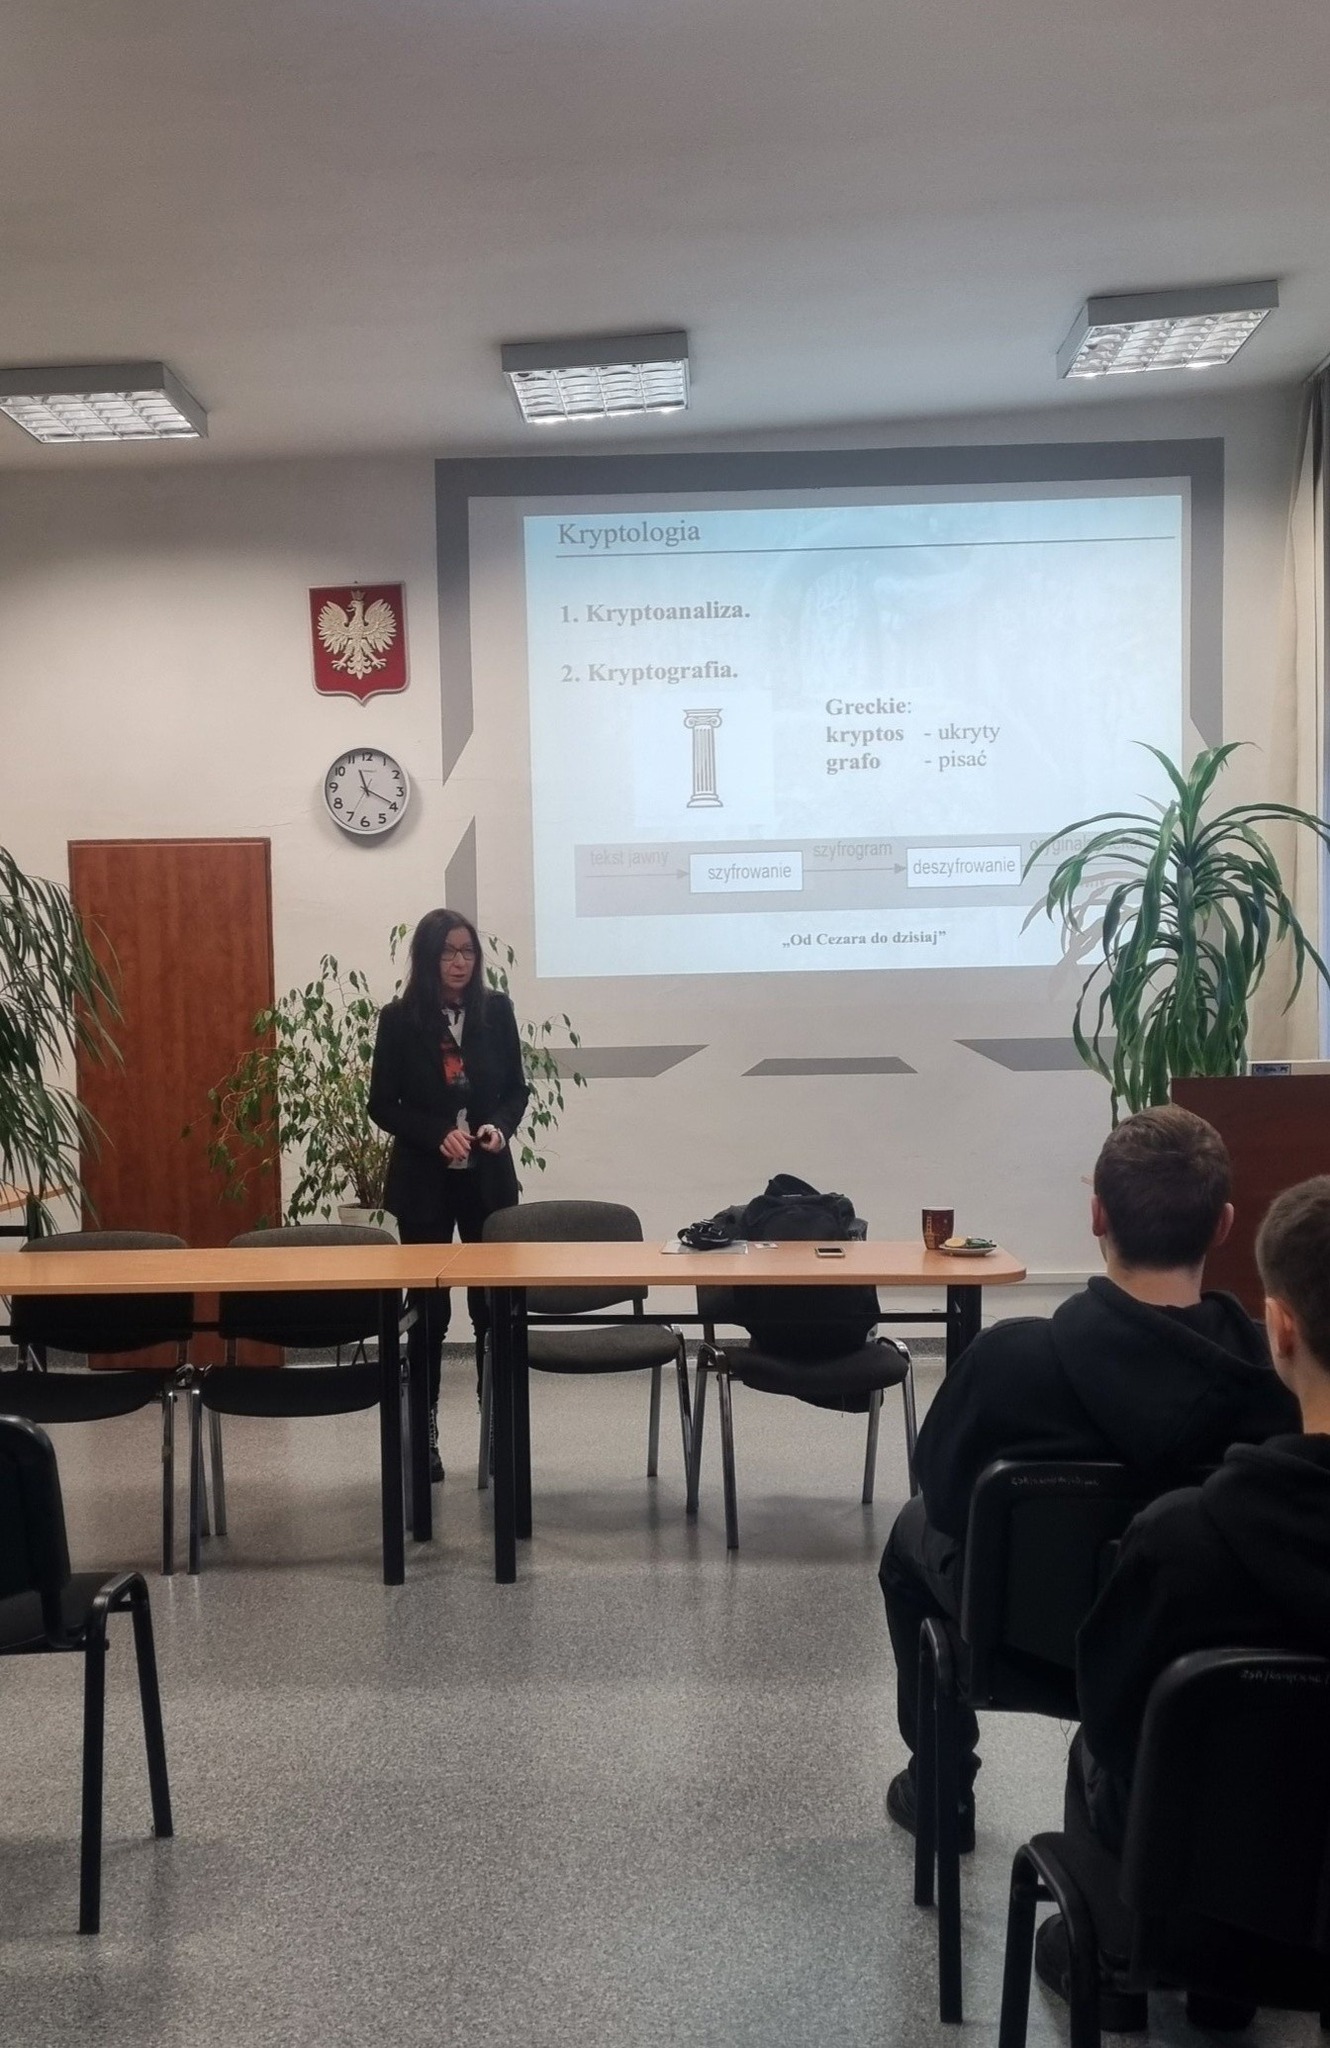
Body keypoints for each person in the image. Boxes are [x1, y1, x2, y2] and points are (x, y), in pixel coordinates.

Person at [879, 1105, 1298, 1848]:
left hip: (1029, 1648)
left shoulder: (1008, 1364)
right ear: (1224, 1225)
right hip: (1210, 1650)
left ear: (1097, 1215)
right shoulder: (1281, 1381)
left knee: (909, 1537)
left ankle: (942, 1791)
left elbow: (942, 1493)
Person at [1032, 1175, 1330, 2031]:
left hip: (1208, 1902)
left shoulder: (1184, 1541)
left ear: (1280, 1328)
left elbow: (1115, 1720)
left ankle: (1121, 1971)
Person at [368, 908, 530, 1480]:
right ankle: (425, 1430)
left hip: (487, 1177)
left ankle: (497, 1429)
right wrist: (436, 1133)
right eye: (448, 953)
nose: (459, 963)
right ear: (427, 957)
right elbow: (382, 1105)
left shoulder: (496, 1011)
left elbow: (516, 1090)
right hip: (425, 1182)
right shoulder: (398, 1019)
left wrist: (499, 1128)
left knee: (492, 1308)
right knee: (429, 1312)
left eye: (467, 952)